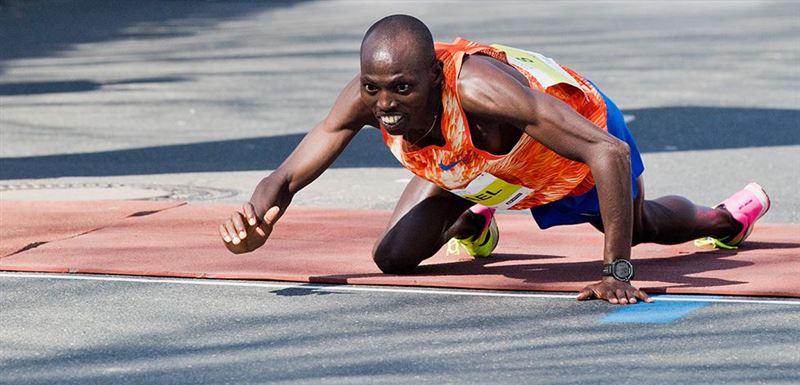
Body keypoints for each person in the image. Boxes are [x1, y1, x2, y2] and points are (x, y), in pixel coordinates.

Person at [218, 15, 770, 305]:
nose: (385, 106)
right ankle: (477, 219)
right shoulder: (371, 96)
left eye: (403, 89)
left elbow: (610, 152)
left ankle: (725, 218)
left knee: (636, 224)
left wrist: (617, 271)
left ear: (435, 77)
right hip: (471, 167)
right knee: (393, 258)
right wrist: (256, 216)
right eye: (375, 89)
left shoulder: (481, 90)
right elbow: (289, 172)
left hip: (570, 147)